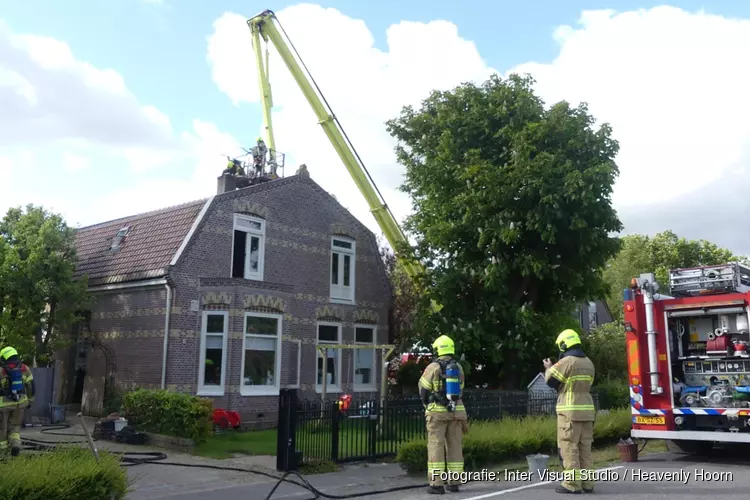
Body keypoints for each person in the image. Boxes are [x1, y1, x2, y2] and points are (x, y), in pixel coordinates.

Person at [543, 329, 596, 494]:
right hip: (587, 412)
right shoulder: (589, 363)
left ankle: (572, 484)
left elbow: (550, 380)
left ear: (564, 344)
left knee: (569, 447)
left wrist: (549, 367)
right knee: (584, 448)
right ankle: (587, 483)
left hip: (570, 413)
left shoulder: (567, 361)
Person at [418, 335, 469, 494]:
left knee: (436, 446)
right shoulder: (458, 367)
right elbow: (460, 389)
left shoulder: (433, 367)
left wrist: (428, 404)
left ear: (438, 349)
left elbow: (423, 389)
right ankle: (454, 483)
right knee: (455, 446)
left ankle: (436, 484)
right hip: (456, 412)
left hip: (437, 414)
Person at [0, 346, 35, 456]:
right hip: (20, 403)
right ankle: (15, 444)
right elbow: (31, 387)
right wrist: (30, 401)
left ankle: (2, 453)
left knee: (2, 428)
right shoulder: (24, 368)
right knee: (15, 427)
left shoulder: (1, 371)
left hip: (3, 405)